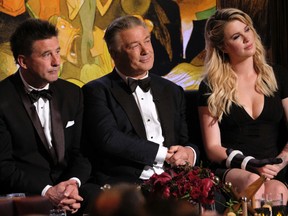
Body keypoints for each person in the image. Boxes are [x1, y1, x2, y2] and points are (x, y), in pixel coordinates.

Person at [82, 15, 199, 186]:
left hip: (174, 181)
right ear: (114, 54)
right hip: (126, 186)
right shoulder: (96, 91)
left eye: (147, 41)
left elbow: (186, 139)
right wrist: (163, 154)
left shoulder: (172, 90)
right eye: (134, 46)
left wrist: (188, 153)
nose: (146, 51)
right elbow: (109, 139)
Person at [0, 18, 98, 214]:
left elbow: (82, 152)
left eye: (57, 51)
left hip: (70, 190)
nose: (57, 61)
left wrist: (72, 184)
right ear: (23, 62)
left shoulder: (73, 93)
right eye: (46, 55)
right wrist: (47, 192)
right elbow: (3, 166)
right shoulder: (2, 98)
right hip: (26, 195)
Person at [198, 8, 288, 203]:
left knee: (277, 192)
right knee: (252, 182)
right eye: (237, 36)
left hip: (275, 168)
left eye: (247, 30)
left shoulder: (278, 76)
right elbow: (212, 148)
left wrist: (280, 163)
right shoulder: (210, 86)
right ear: (223, 47)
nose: (248, 39)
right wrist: (249, 163)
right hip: (235, 168)